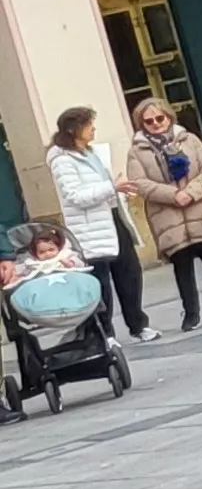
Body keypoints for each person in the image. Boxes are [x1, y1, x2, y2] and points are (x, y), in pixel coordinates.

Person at [126, 98, 202, 331]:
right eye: (149, 122)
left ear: (169, 117)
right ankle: (191, 314)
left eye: (160, 118)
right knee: (182, 265)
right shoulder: (136, 151)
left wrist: (191, 192)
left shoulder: (189, 139)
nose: (156, 124)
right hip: (167, 215)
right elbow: (139, 183)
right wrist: (173, 195)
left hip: (198, 208)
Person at [43, 108, 146, 341]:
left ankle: (138, 324)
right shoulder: (62, 159)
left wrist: (118, 191)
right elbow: (75, 196)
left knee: (129, 272)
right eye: (89, 125)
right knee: (99, 281)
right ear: (74, 129)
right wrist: (112, 188)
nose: (93, 129)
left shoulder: (94, 152)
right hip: (90, 227)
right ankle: (104, 332)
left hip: (112, 217)